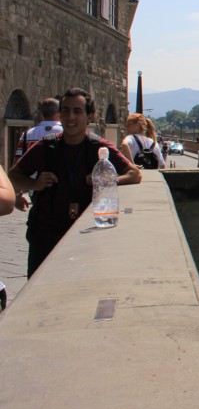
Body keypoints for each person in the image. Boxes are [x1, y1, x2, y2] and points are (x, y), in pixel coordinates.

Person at [9, 88, 141, 277]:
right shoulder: (46, 146)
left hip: (86, 235)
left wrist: (104, 180)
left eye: (77, 111)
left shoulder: (99, 147)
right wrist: (35, 184)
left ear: (89, 116)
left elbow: (134, 174)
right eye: (66, 111)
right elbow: (14, 174)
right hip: (46, 235)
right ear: (60, 114)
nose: (70, 117)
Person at [14, 97, 64, 211]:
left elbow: (17, 164)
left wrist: (17, 194)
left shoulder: (27, 135)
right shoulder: (66, 133)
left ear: (42, 113)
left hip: (34, 188)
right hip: (61, 186)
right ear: (59, 113)